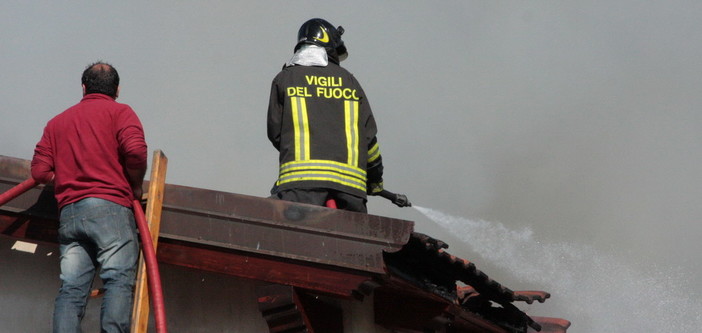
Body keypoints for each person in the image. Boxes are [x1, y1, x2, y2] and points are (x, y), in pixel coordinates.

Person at [31, 62, 148, 333]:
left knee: (71, 288)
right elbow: (136, 153)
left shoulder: (57, 122)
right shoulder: (121, 113)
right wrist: (136, 186)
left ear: (83, 88)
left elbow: (39, 172)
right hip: (111, 210)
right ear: (117, 90)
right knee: (117, 280)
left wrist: (67, 181)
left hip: (70, 214)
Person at [267, 18, 384, 213]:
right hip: (350, 191)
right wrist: (375, 180)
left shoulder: (285, 78)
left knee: (284, 233)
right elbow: (369, 139)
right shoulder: (350, 81)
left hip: (300, 187)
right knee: (352, 241)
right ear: (331, 46)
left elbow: (275, 133)